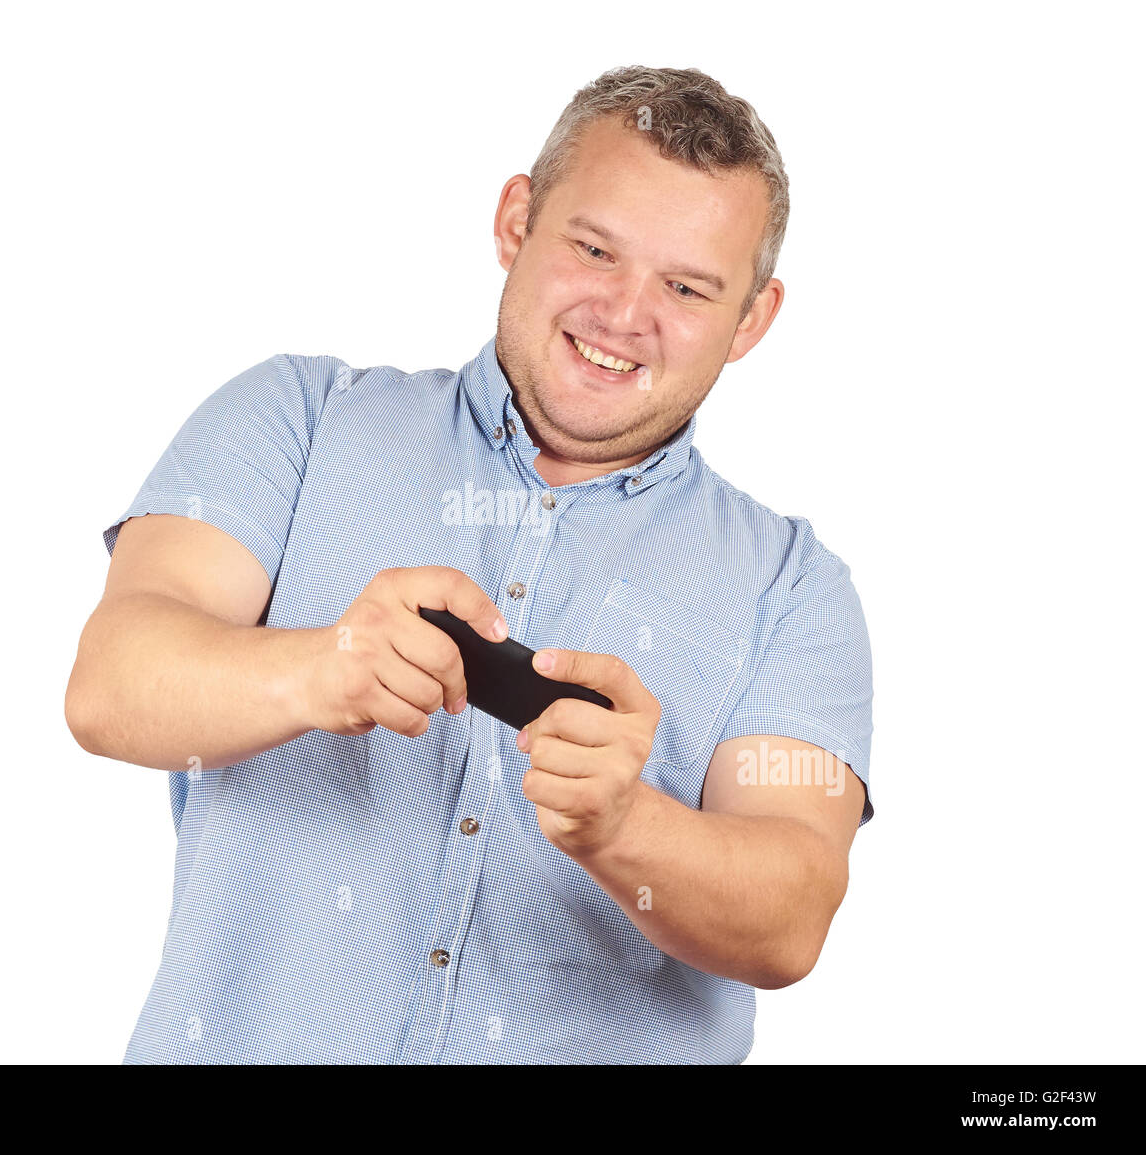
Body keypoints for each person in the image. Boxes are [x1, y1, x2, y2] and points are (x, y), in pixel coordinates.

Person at [65, 65, 874, 1065]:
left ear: (751, 318)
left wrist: (628, 828)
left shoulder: (793, 591)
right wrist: (318, 668)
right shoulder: (298, 420)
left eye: (685, 287)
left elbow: (791, 915)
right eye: (592, 248)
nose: (624, 313)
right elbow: (110, 684)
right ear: (515, 220)